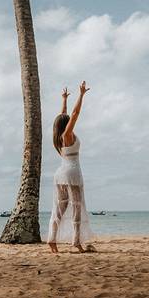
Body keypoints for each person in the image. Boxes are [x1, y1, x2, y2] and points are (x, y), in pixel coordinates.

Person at [47, 81, 96, 253]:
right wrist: (81, 95)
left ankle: (52, 239)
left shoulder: (59, 137)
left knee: (60, 208)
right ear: (66, 125)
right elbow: (74, 114)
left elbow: (64, 116)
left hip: (60, 174)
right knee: (76, 207)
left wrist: (64, 100)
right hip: (72, 173)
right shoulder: (67, 135)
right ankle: (76, 242)